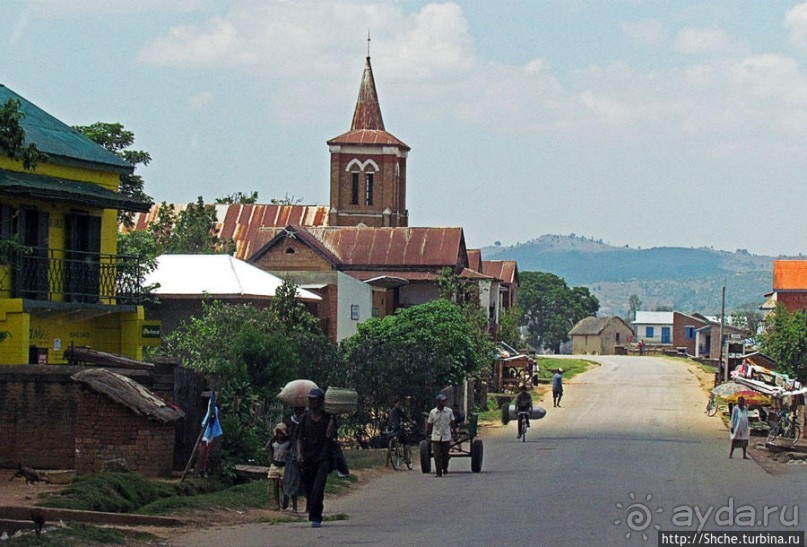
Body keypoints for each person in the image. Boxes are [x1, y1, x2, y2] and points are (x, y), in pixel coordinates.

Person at [296, 388, 336, 528]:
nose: (312, 402)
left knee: (318, 489)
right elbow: (299, 438)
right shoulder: (304, 419)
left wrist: (332, 419)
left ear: (321, 401)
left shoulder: (327, 418)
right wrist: (299, 454)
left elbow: (329, 436)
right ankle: (312, 511)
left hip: (323, 458)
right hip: (308, 458)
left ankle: (316, 517)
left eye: (315, 399)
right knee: (309, 488)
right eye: (310, 399)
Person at [282, 406, 305, 512]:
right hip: (293, 453)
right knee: (290, 479)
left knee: (297, 480)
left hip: (302, 452)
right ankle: (288, 504)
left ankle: (295, 505)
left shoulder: (305, 420)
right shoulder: (293, 420)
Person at [426, 394, 456, 477]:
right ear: (438, 402)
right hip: (436, 436)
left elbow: (452, 422)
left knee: (446, 454)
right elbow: (429, 424)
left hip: (446, 436)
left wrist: (455, 433)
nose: (444, 403)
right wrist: (427, 434)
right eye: (442, 401)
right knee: (437, 455)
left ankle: (444, 467)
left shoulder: (449, 411)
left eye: (445, 401)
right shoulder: (433, 412)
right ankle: (438, 472)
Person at [266, 423, 290, 510]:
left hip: (284, 465)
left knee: (283, 484)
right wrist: (272, 438)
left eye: (281, 433)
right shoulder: (274, 443)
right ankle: (277, 503)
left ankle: (285, 498)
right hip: (275, 464)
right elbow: (267, 447)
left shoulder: (287, 443)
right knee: (275, 484)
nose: (279, 435)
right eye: (278, 433)